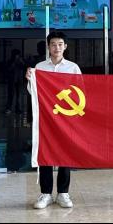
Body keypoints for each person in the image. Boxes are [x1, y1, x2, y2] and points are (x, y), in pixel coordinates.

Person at [26, 30, 82, 209]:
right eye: (53, 44)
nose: (56, 48)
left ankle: (63, 193)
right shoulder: (40, 67)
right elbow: (33, 92)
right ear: (48, 47)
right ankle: (46, 194)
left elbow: (81, 92)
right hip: (47, 118)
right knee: (46, 153)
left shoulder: (73, 68)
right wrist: (30, 79)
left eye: (60, 44)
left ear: (65, 46)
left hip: (67, 118)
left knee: (65, 154)